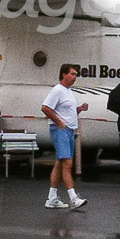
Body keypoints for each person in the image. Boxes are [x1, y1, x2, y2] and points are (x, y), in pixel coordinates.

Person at [41, 63, 88, 209]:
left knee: (60, 163)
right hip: (60, 130)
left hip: (69, 130)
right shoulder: (57, 90)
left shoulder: (69, 92)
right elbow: (45, 108)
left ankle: (52, 197)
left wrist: (79, 109)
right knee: (67, 163)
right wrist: (59, 122)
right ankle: (73, 197)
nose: (75, 77)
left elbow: (68, 111)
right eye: (72, 74)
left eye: (76, 75)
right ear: (64, 74)